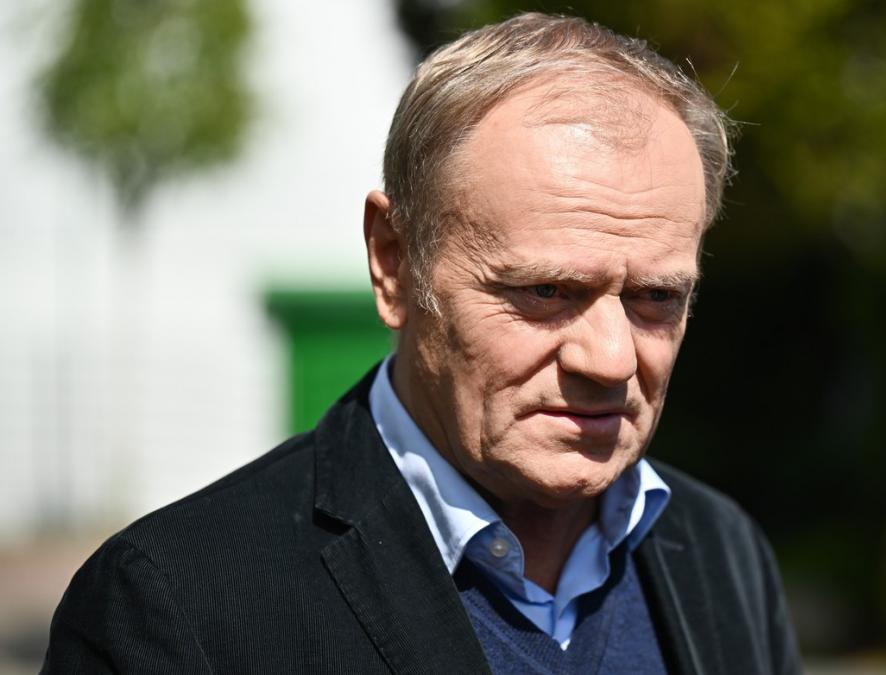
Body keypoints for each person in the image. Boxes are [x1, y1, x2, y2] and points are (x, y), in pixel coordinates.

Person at [42, 12, 802, 674]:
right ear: (395, 262)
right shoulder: (177, 604)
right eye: (545, 291)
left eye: (656, 298)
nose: (610, 359)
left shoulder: (720, 554)